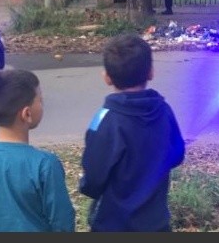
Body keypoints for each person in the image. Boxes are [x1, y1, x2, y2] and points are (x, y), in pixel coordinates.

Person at [80, 33, 186, 232]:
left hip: (112, 225)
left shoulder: (105, 120)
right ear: (151, 72)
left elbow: (93, 179)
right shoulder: (164, 111)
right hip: (156, 224)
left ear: (107, 77)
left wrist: (86, 185)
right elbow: (177, 154)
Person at [0, 69, 76, 232]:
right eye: (40, 100)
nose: (42, 103)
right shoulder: (45, 164)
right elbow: (62, 222)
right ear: (27, 114)